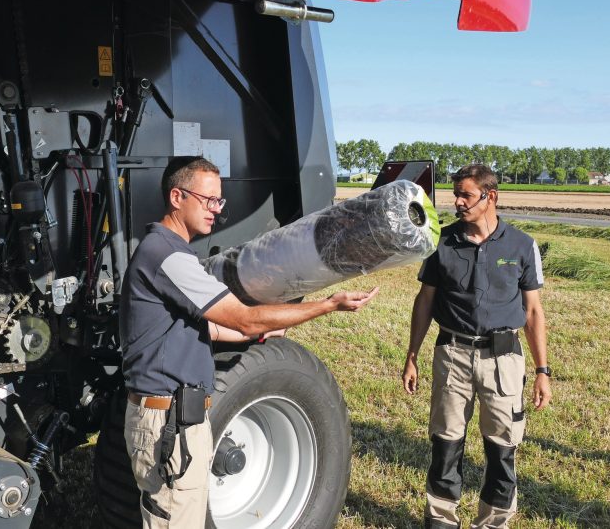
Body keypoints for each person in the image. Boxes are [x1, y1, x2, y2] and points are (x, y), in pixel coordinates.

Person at [121, 156, 379, 528]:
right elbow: (242, 315)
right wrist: (328, 305)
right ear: (177, 197)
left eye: (219, 201)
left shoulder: (166, 253)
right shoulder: (167, 256)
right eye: (208, 200)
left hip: (174, 419)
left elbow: (205, 329)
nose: (217, 211)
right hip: (168, 424)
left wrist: (258, 334)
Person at [402, 164, 551, 529]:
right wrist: (412, 356)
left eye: (465, 195)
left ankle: (493, 522)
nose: (457, 202)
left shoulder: (521, 245)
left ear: (491, 197)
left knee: (502, 450)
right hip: (452, 355)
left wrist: (542, 371)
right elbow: (424, 301)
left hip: (504, 360)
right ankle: (440, 521)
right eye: (456, 194)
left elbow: (533, 312)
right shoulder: (442, 241)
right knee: (445, 445)